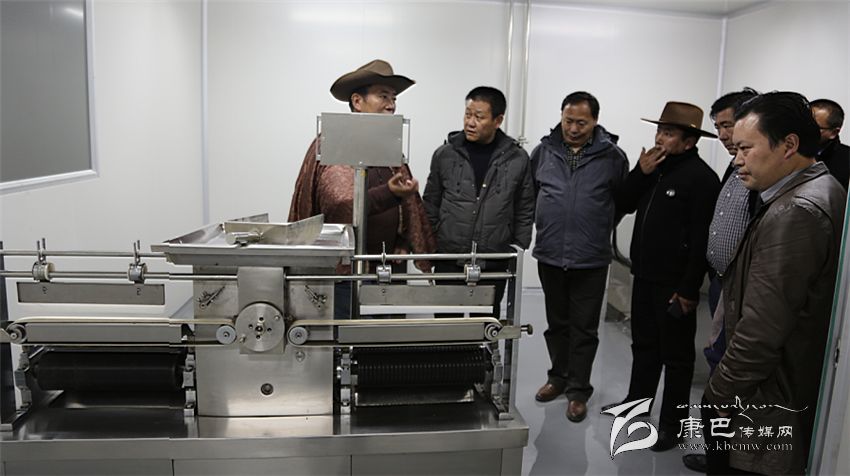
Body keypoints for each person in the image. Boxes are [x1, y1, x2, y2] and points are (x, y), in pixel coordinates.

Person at [704, 92, 846, 475]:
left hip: (768, 397)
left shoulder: (796, 211)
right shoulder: (817, 188)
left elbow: (762, 329)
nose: (737, 160)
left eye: (746, 148)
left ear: (789, 145)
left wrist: (720, 392)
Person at [607, 101, 720, 451]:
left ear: (689, 141)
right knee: (644, 347)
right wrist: (639, 172)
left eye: (668, 133)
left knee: (677, 358)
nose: (659, 138)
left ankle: (673, 426)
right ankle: (635, 408)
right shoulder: (653, 168)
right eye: (659, 131)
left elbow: (702, 240)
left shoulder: (701, 179)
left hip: (674, 285)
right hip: (644, 275)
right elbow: (622, 203)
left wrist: (688, 289)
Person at [288, 59, 435, 317]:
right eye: (383, 96)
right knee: (348, 336)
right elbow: (342, 204)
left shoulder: (388, 146)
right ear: (357, 101)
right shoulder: (332, 143)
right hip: (345, 275)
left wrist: (402, 240)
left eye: (394, 98)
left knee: (387, 337)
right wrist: (389, 194)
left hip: (388, 269)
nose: (391, 104)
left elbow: (407, 205)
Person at [529, 91, 628, 423]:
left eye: (581, 123)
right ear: (561, 117)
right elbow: (531, 195)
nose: (573, 129)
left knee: (584, 328)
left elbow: (619, 203)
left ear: (595, 121)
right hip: (550, 253)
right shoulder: (543, 152)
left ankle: (578, 390)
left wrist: (595, 227)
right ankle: (557, 378)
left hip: (591, 257)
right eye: (568, 121)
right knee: (557, 324)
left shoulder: (613, 157)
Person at [682, 88, 759, 474]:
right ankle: (717, 455)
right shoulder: (735, 165)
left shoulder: (763, 175)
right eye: (719, 127)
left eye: (729, 125)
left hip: (742, 292)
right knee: (718, 369)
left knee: (729, 378)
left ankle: (727, 461)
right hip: (722, 283)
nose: (725, 135)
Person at [422, 86, 534, 319]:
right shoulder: (445, 154)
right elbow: (431, 202)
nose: (470, 122)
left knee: (484, 324)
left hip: (494, 258)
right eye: (467, 114)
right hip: (449, 255)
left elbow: (524, 206)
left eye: (479, 117)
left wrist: (518, 247)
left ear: (498, 120)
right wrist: (429, 245)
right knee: (446, 324)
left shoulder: (517, 159)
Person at [810, 98, 849, 190]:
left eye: (813, 127)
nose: (804, 129)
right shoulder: (788, 150)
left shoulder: (847, 160)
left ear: (834, 132)